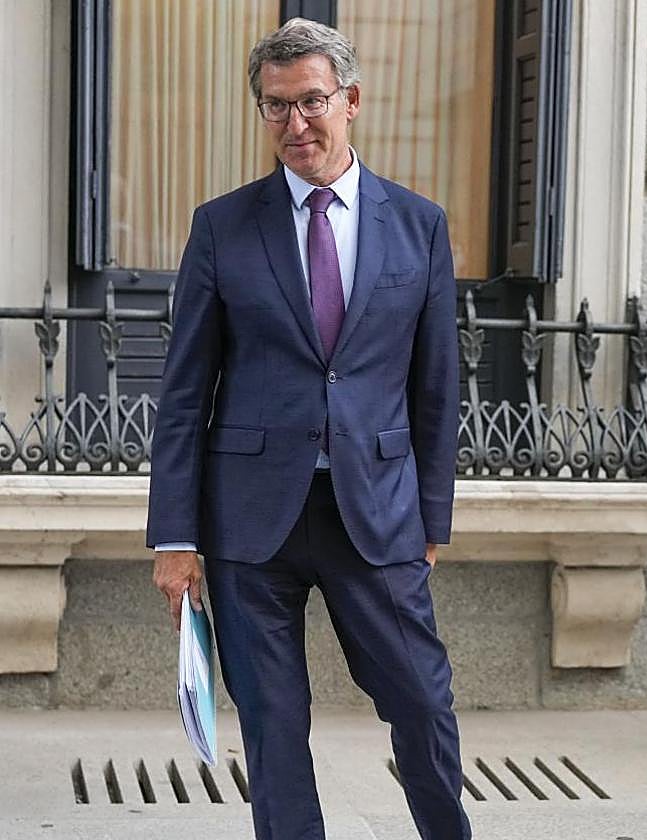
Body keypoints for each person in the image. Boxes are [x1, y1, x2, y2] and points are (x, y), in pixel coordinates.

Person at [146, 18, 470, 840]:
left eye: (312, 102)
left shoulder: (420, 225)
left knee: (423, 704)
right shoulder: (222, 226)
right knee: (275, 730)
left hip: (379, 515)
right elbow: (185, 392)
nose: (296, 125)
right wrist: (174, 536)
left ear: (351, 101)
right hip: (251, 523)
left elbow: (436, 389)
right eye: (276, 107)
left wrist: (433, 519)